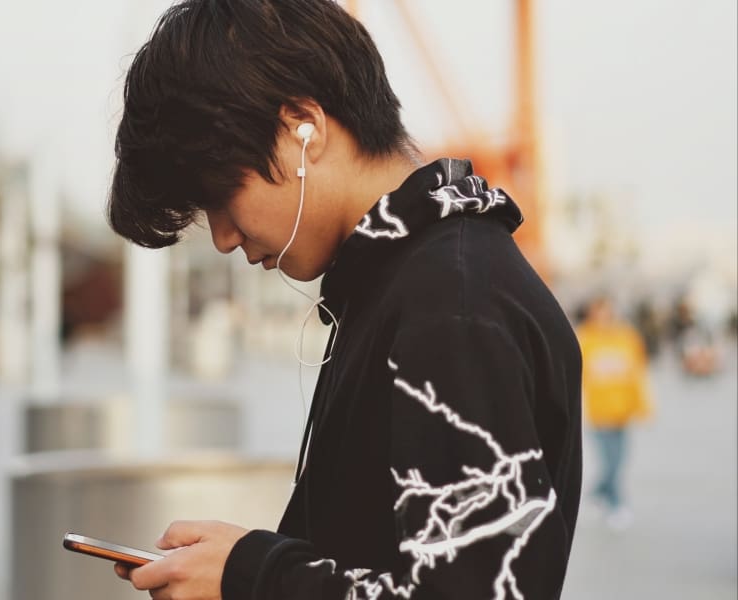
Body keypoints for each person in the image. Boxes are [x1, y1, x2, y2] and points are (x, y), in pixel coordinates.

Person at [106, 1, 582, 598]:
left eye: (222, 194)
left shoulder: (451, 305)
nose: (224, 236)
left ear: (304, 126)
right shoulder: (403, 279)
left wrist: (252, 575)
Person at [577, 295, 651, 530]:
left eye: (607, 311)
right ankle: (616, 504)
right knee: (611, 461)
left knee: (620, 459)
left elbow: (637, 372)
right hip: (599, 411)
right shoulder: (585, 338)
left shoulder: (627, 337)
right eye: (599, 312)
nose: (604, 317)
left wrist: (642, 405)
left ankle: (598, 491)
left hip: (622, 410)